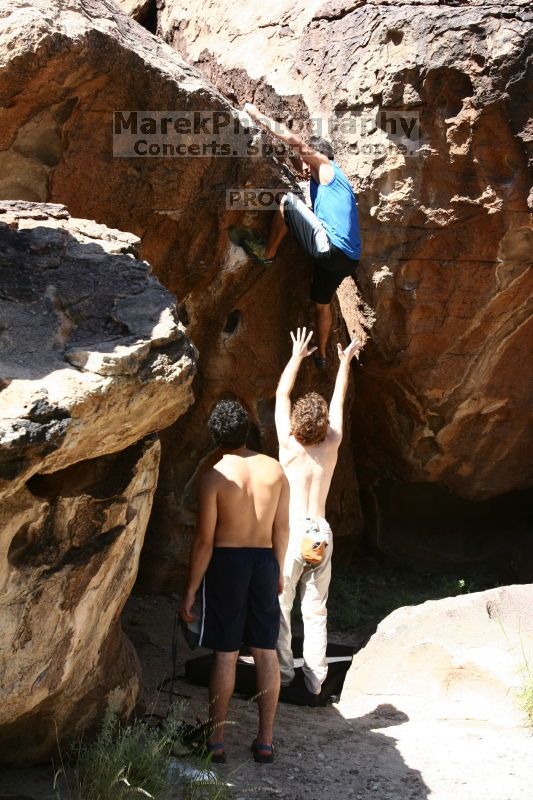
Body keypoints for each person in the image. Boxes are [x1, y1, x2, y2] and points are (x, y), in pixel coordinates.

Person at [179, 399, 290, 764]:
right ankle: (265, 741)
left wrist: (191, 591)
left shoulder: (214, 477)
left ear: (215, 437)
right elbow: (282, 528)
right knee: (265, 651)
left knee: (226, 653)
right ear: (247, 432)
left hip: (228, 562)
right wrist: (278, 569)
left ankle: (217, 742)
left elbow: (205, 541)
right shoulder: (275, 470)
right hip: (263, 560)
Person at [239, 102, 362, 368]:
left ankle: (267, 254)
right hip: (349, 260)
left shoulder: (327, 167)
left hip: (331, 248)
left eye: (307, 162)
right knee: (322, 303)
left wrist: (257, 116)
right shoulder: (338, 186)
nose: (304, 167)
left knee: (285, 200)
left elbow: (293, 140)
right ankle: (323, 355)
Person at [274, 327, 361, 695]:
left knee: (282, 605)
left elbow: (281, 394)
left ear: (296, 422)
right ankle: (315, 680)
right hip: (321, 532)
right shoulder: (333, 443)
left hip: (294, 532)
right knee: (316, 610)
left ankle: (282, 676)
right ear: (323, 424)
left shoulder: (289, 445)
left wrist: (296, 356)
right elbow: (338, 400)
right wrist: (344, 362)